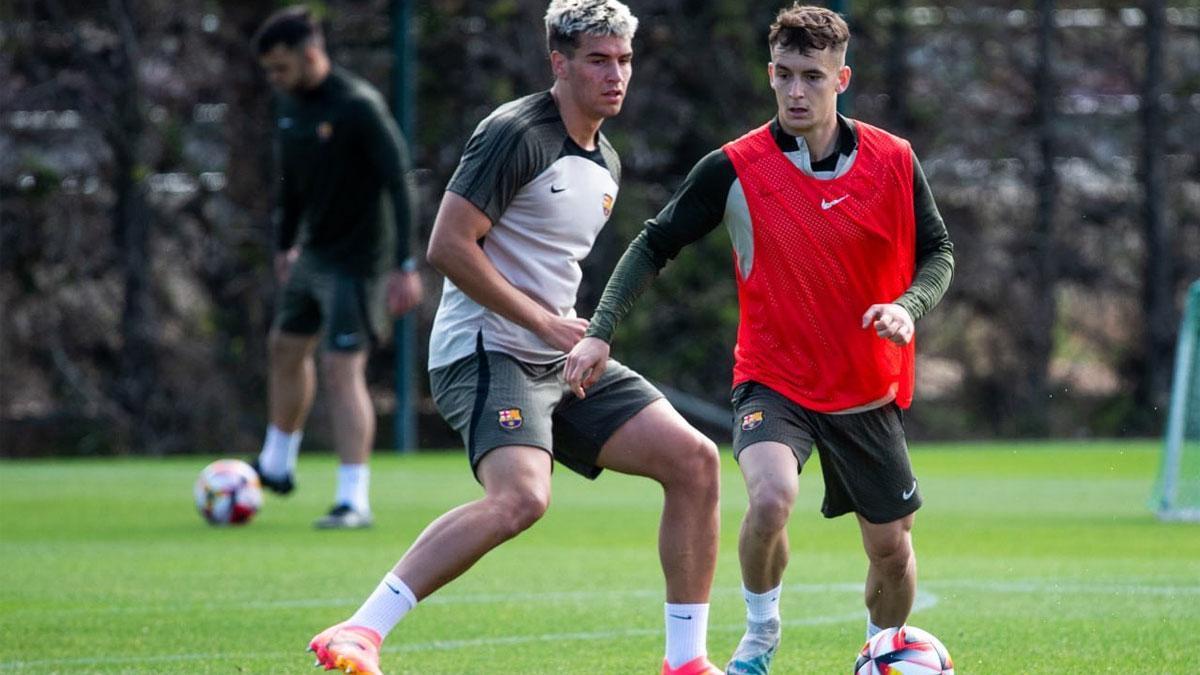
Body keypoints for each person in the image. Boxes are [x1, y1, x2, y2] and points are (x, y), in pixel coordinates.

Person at [306, 1, 723, 674]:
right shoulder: (515, 132)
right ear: (558, 63)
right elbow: (447, 246)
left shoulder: (606, 160)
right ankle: (358, 629)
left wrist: (573, 334)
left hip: (555, 354)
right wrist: (544, 322)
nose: (615, 75)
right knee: (522, 497)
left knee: (696, 461)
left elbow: (544, 265)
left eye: (623, 61)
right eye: (597, 60)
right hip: (487, 350)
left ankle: (686, 662)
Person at [564, 4, 955, 674]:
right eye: (783, 74)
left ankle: (879, 653)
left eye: (812, 76)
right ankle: (760, 633)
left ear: (843, 78)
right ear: (769, 74)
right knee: (771, 496)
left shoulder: (894, 160)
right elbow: (654, 244)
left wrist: (908, 305)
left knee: (891, 547)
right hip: (773, 378)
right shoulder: (734, 166)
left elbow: (939, 251)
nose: (796, 91)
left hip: (865, 384)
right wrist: (600, 331)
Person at [250, 6, 423, 529]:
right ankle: (276, 464)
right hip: (312, 252)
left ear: (310, 54)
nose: (274, 79)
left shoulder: (357, 106)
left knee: (340, 370)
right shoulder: (289, 107)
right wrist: (285, 245)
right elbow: (291, 184)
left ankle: (354, 499)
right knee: (284, 346)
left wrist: (405, 264)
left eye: (281, 67)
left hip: (358, 261)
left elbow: (399, 182)